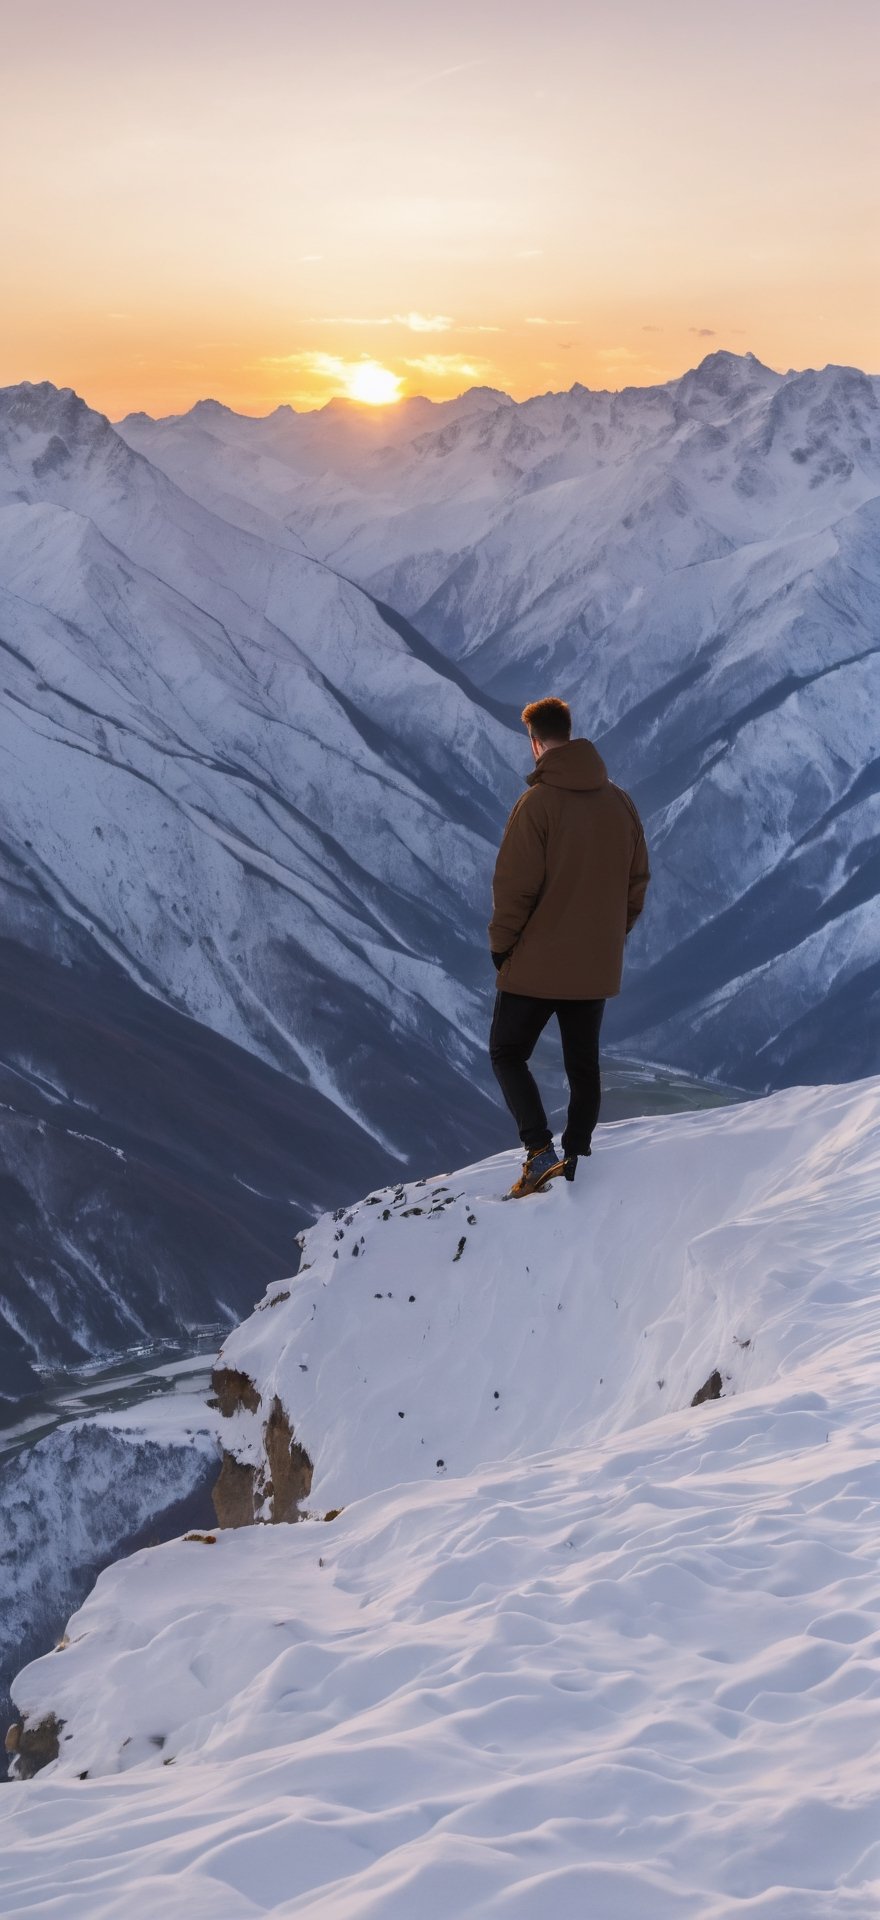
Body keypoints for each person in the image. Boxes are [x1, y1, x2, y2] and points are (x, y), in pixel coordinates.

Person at [489, 696, 650, 1197]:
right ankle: (576, 1159)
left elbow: (514, 887)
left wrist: (502, 947)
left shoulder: (536, 805)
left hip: (536, 962)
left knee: (507, 1052)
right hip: (594, 962)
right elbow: (636, 880)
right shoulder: (620, 802)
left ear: (535, 743)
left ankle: (539, 1154)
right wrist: (610, 936)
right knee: (584, 1063)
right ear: (571, 733)